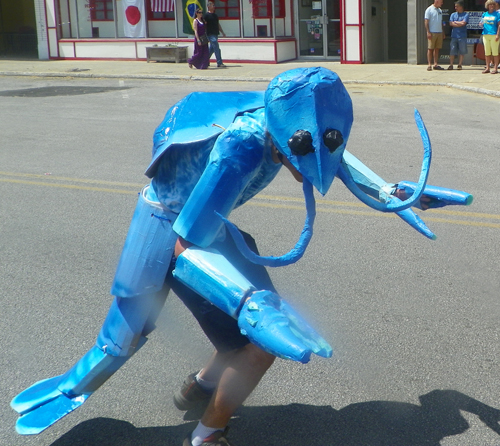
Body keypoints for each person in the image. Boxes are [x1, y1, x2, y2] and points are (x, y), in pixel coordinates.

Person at [11, 67, 473, 446]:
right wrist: (252, 305)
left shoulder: (286, 119)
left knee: (245, 343)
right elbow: (185, 243)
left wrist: (391, 193)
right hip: (171, 225)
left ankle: (202, 388)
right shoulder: (243, 145)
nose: (317, 160)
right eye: (303, 148)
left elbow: (326, 146)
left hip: (206, 224)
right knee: (137, 342)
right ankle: (193, 429)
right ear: (280, 131)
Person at [448, 1, 469, 70]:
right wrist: (459, 23)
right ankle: (451, 65)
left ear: (461, 7)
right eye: (455, 6)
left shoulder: (465, 14)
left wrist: (456, 22)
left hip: (462, 36)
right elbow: (451, 23)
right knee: (452, 50)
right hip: (454, 36)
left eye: (457, 6)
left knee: (462, 51)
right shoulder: (453, 15)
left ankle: (459, 64)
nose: (455, 8)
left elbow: (463, 23)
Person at [425, 0, 445, 71]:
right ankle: (429, 64)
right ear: (436, 1)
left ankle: (435, 64)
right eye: (441, 2)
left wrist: (443, 32)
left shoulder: (440, 10)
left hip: (439, 32)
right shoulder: (429, 10)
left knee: (437, 49)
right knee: (430, 48)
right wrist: (428, 32)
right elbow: (426, 21)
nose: (442, 3)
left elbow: (441, 22)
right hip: (432, 32)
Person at [204, 1, 226, 68]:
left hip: (215, 33)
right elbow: (204, 24)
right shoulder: (206, 15)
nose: (214, 7)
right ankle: (219, 62)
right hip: (210, 34)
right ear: (208, 6)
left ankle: (205, 61)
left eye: (214, 5)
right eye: (212, 5)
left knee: (212, 49)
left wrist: (222, 32)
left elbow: (218, 24)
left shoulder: (215, 15)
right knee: (216, 48)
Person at [480, 0, 500, 73]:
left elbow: (499, 25)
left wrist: (498, 34)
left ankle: (495, 68)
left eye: (493, 5)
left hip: (494, 35)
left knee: (495, 52)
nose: (491, 6)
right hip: (485, 35)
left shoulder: (497, 14)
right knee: (487, 53)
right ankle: (487, 68)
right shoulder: (484, 14)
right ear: (487, 6)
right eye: (490, 5)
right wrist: (481, 24)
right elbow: (481, 22)